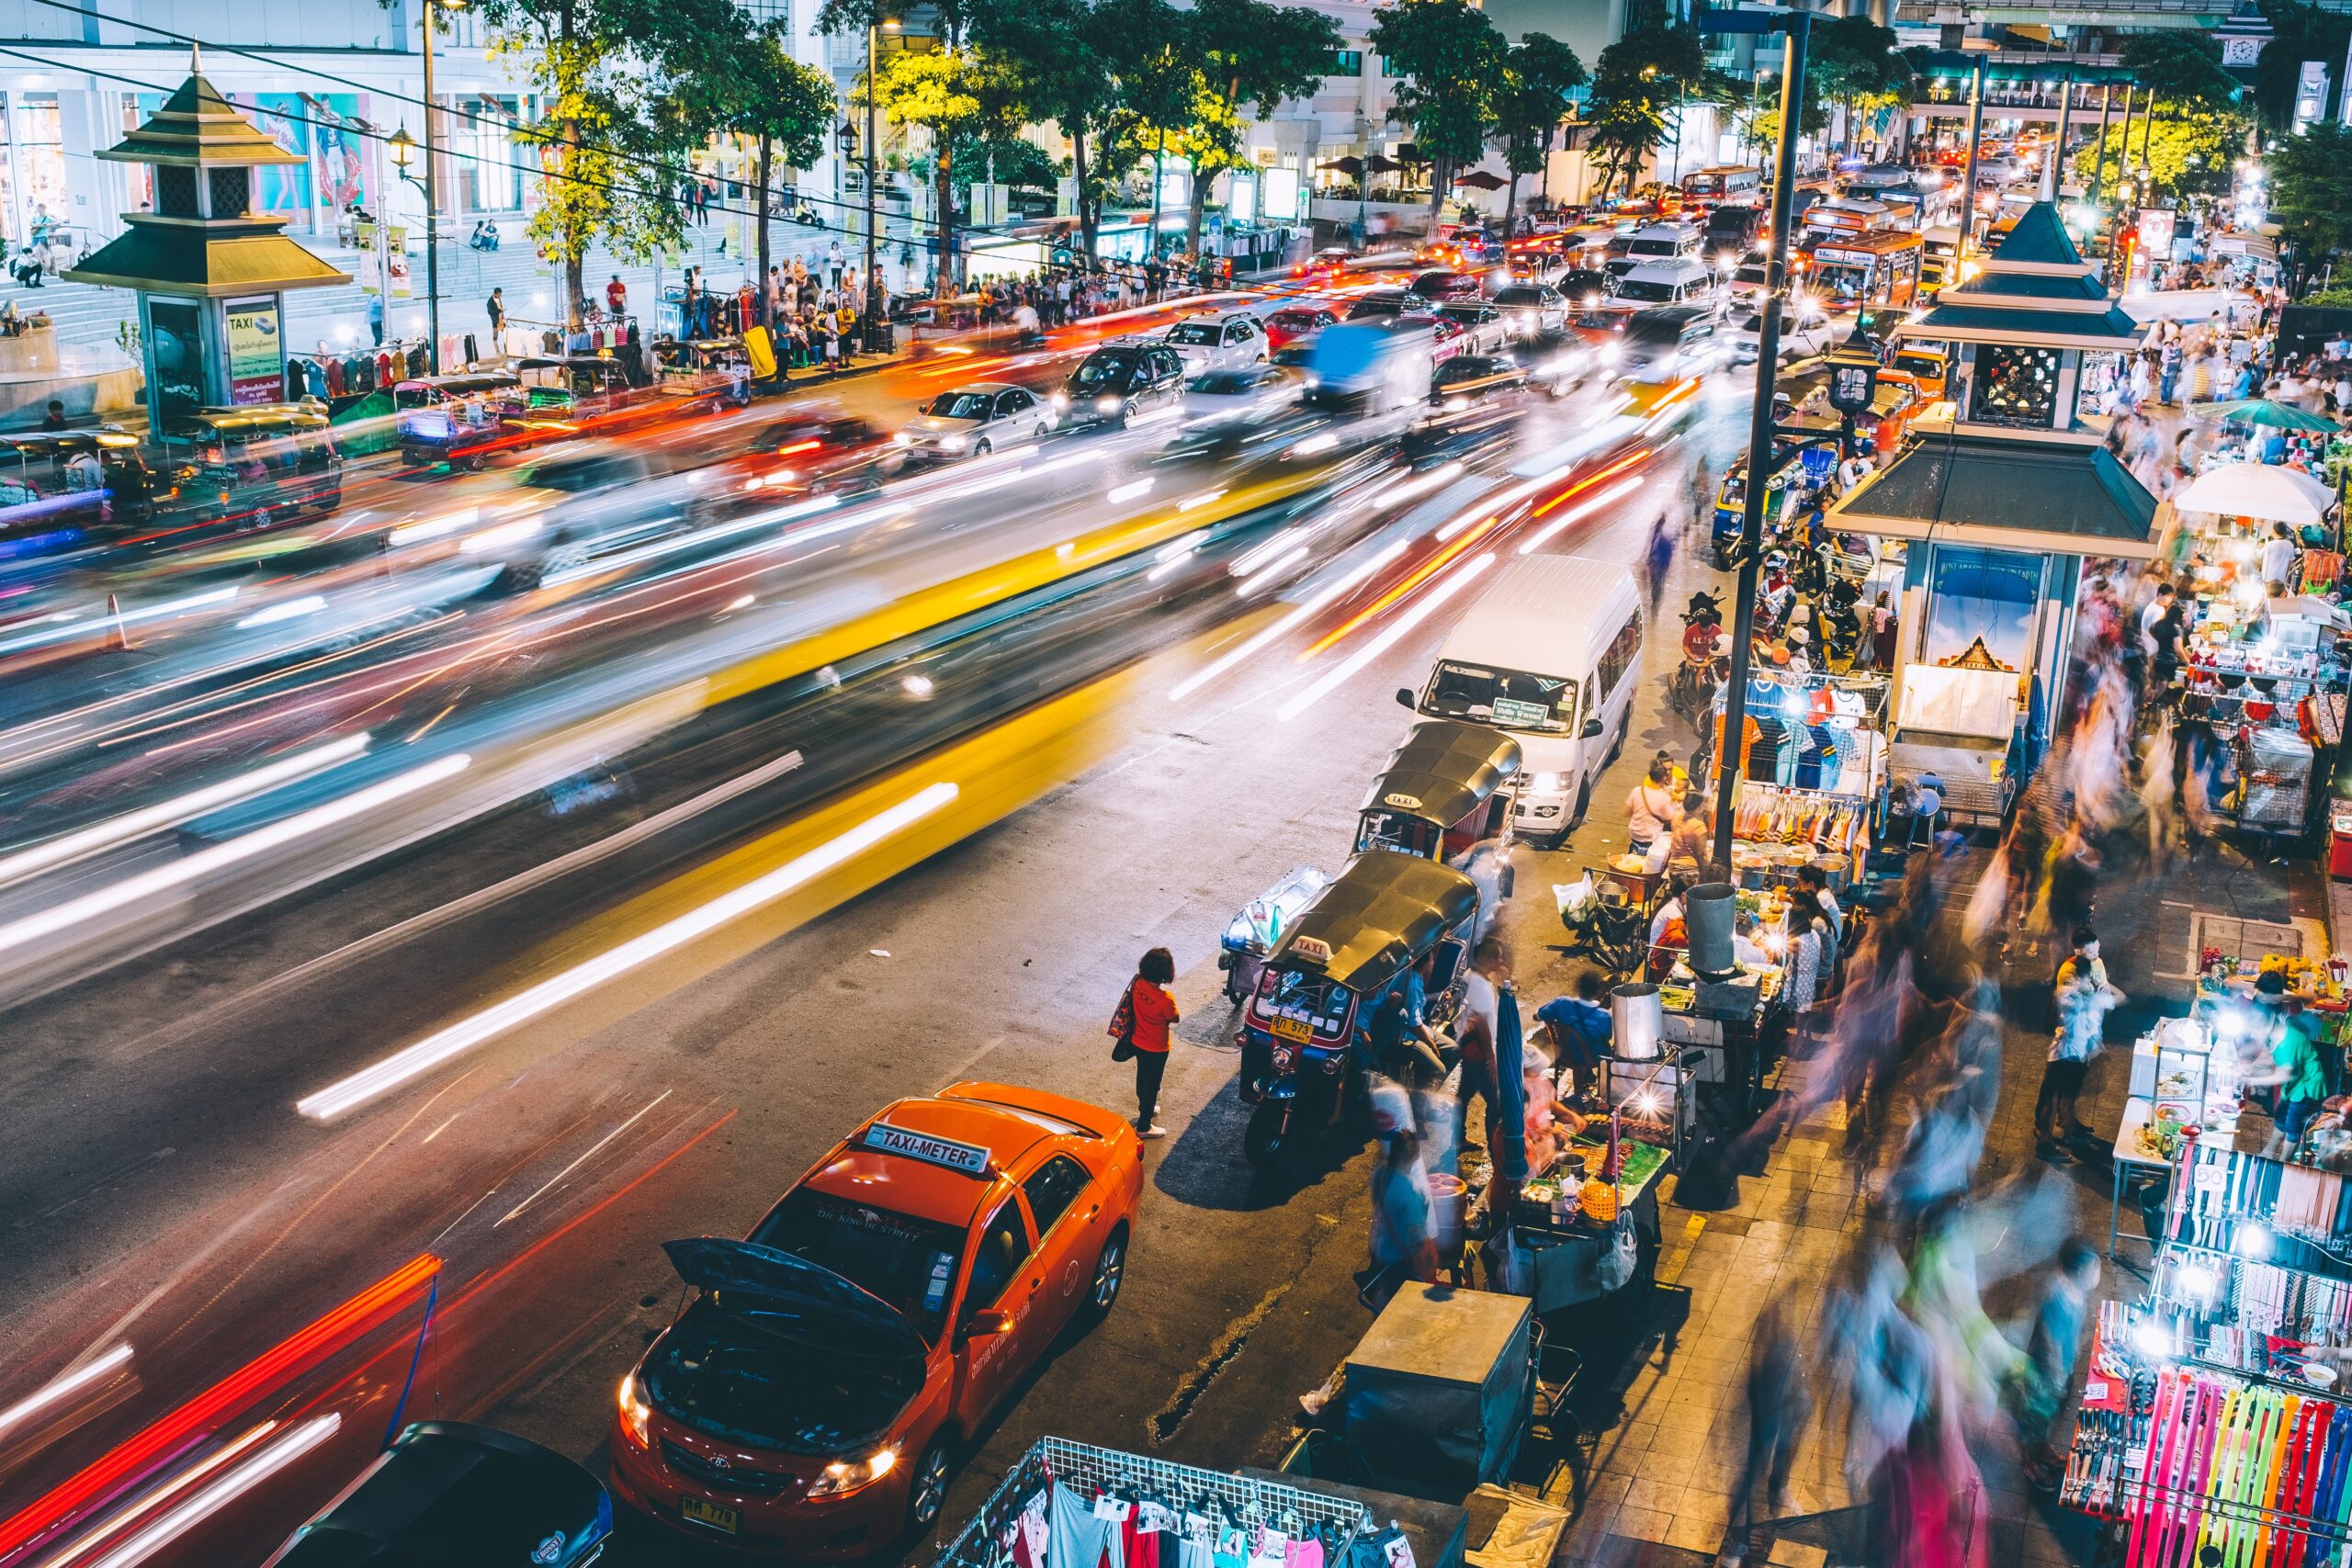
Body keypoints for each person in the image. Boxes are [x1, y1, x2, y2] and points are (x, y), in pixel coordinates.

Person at [2008, 1238, 2101, 1489]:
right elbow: (2050, 1341)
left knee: (2050, 1415)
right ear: (2081, 1271)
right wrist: (2058, 1375)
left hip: (2061, 1370)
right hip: (2045, 1373)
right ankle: (2030, 1460)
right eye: (2095, 1267)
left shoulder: (2075, 1290)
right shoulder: (2057, 1297)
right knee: (2036, 1417)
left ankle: (2041, 1448)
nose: (2098, 1273)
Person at [2037, 926, 2121, 1162]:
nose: (2097, 953)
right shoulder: (2075, 985)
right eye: (2091, 951)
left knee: (2066, 1094)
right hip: (2069, 1049)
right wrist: (2101, 995)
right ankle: (2047, 1140)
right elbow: (2115, 999)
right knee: (2057, 1095)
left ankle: (2068, 1127)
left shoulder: (2074, 989)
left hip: (2075, 1048)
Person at [2246, 971, 2331, 1155]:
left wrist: (2253, 1080)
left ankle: (2284, 1165)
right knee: (2281, 1118)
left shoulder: (2286, 1040)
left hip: (2306, 1083)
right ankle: (2268, 1152)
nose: (2254, 1030)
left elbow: (2283, 1074)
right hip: (2294, 1078)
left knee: (2292, 1124)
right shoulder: (2271, 1026)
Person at [1367, 1124, 1438, 1310]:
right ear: (1413, 1157)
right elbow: (1414, 1233)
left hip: (1379, 1245)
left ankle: (1378, 1313)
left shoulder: (1380, 1171)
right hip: (1397, 1256)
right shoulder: (1407, 1193)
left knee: (1385, 1289)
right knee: (1398, 1300)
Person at [1121, 947, 1180, 1138]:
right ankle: (1144, 1126)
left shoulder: (1137, 983)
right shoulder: (1165, 999)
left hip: (1138, 1041)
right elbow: (1175, 1018)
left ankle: (1146, 1107)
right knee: (1153, 1084)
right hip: (1157, 1047)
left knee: (1142, 1077)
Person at [1624, 761, 1678, 857]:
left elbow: (1626, 812)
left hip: (1634, 834)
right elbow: (1672, 818)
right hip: (1651, 837)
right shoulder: (1664, 797)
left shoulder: (1637, 790)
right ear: (1664, 778)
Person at [2261, 521, 2300, 592]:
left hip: (2268, 578)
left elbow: (2259, 555)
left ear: (2274, 530)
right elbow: (2291, 562)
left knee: (2267, 595)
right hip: (2281, 578)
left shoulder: (2270, 544)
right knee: (2276, 598)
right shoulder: (2290, 544)